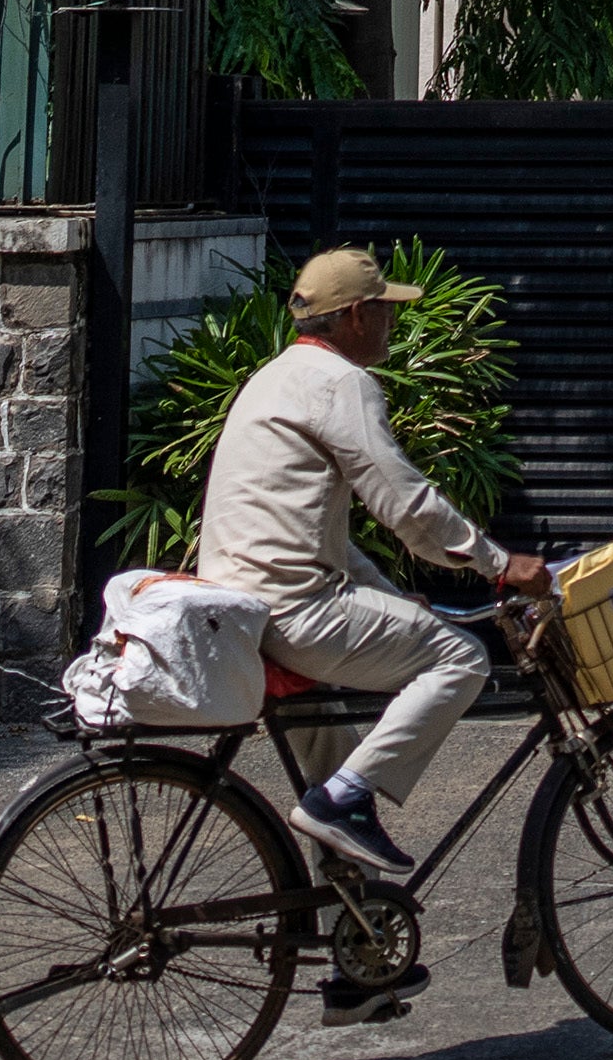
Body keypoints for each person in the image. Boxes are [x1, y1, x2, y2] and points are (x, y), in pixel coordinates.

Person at [195, 246, 543, 883]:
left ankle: (358, 964)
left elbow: (315, 532)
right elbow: (403, 501)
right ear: (356, 315)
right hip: (296, 612)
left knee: (333, 754)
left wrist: (388, 594)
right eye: (384, 308)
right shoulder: (341, 384)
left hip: (246, 607)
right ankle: (346, 798)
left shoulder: (276, 376)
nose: (392, 321)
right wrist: (497, 563)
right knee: (461, 657)